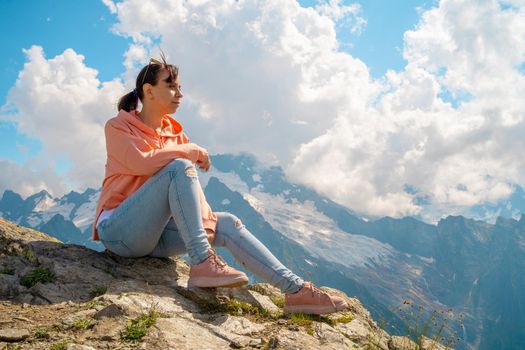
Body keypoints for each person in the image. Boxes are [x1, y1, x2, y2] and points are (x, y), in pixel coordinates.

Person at [91, 55, 348, 315]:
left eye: (180, 87)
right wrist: (189, 150)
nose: (179, 93)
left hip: (153, 239)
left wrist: (211, 225)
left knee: (226, 221)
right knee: (179, 166)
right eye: (171, 86)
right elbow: (142, 163)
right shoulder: (119, 126)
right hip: (119, 233)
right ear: (149, 91)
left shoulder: (175, 134)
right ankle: (202, 261)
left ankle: (296, 291)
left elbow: (189, 195)